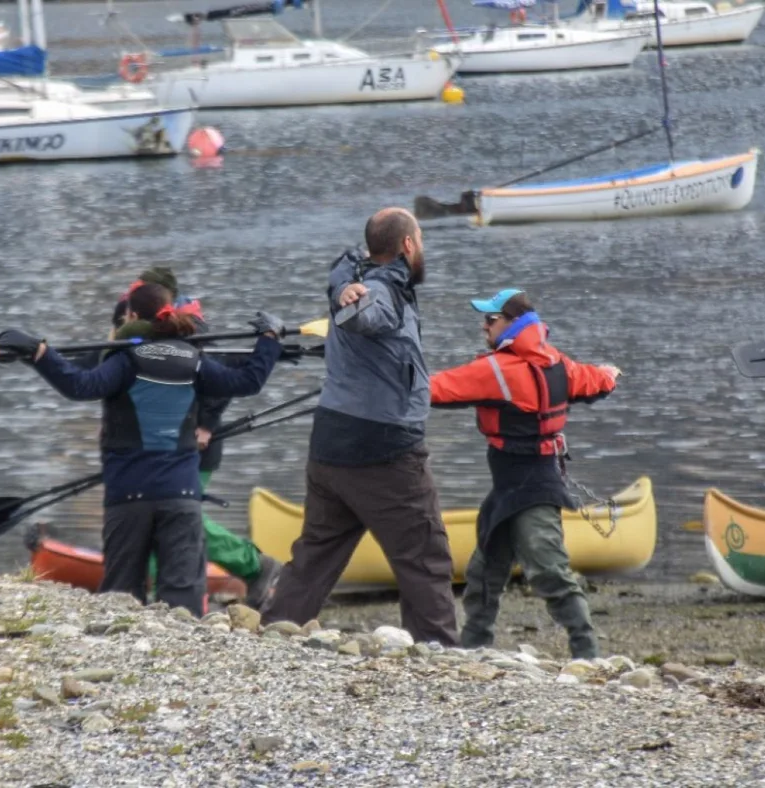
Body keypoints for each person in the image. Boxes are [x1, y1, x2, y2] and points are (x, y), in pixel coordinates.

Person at [1, 283, 283, 616]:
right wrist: (269, 339)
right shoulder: (193, 361)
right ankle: (184, 653)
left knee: (122, 597)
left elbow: (79, 385)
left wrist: (39, 353)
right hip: (181, 495)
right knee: (183, 600)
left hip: (128, 496)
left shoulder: (126, 360)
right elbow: (248, 381)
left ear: (131, 316)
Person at [261, 207, 459, 646]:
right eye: (420, 238)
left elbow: (345, 273)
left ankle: (274, 636)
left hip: (331, 446)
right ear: (408, 245)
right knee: (425, 557)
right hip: (385, 452)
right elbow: (366, 316)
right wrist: (351, 305)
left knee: (316, 553)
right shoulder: (380, 291)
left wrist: (340, 293)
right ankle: (441, 654)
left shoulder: (356, 274)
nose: (421, 246)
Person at [429, 288, 620, 659]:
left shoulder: (495, 371)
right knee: (484, 571)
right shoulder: (558, 364)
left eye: (491, 319)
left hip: (532, 489)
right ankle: (473, 649)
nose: (484, 326)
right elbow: (595, 381)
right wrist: (610, 375)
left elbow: (432, 389)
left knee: (549, 569)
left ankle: (588, 655)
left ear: (514, 325)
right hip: (509, 489)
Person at [111, 267, 283, 607]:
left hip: (195, 444)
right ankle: (167, 596)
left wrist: (207, 423)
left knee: (175, 519)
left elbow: (224, 374)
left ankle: (249, 565)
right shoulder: (131, 317)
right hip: (150, 444)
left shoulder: (189, 324)